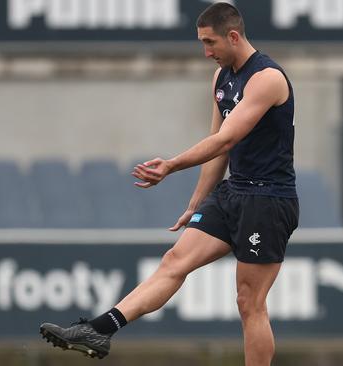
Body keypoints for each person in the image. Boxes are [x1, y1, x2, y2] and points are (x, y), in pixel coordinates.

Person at [39, 3, 299, 365]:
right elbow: (217, 148)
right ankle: (99, 330)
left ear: (234, 36)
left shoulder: (267, 78)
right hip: (233, 192)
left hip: (267, 200)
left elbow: (225, 140)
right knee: (173, 261)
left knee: (248, 302)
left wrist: (172, 165)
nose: (206, 52)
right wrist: (195, 204)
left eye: (210, 43)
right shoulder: (221, 78)